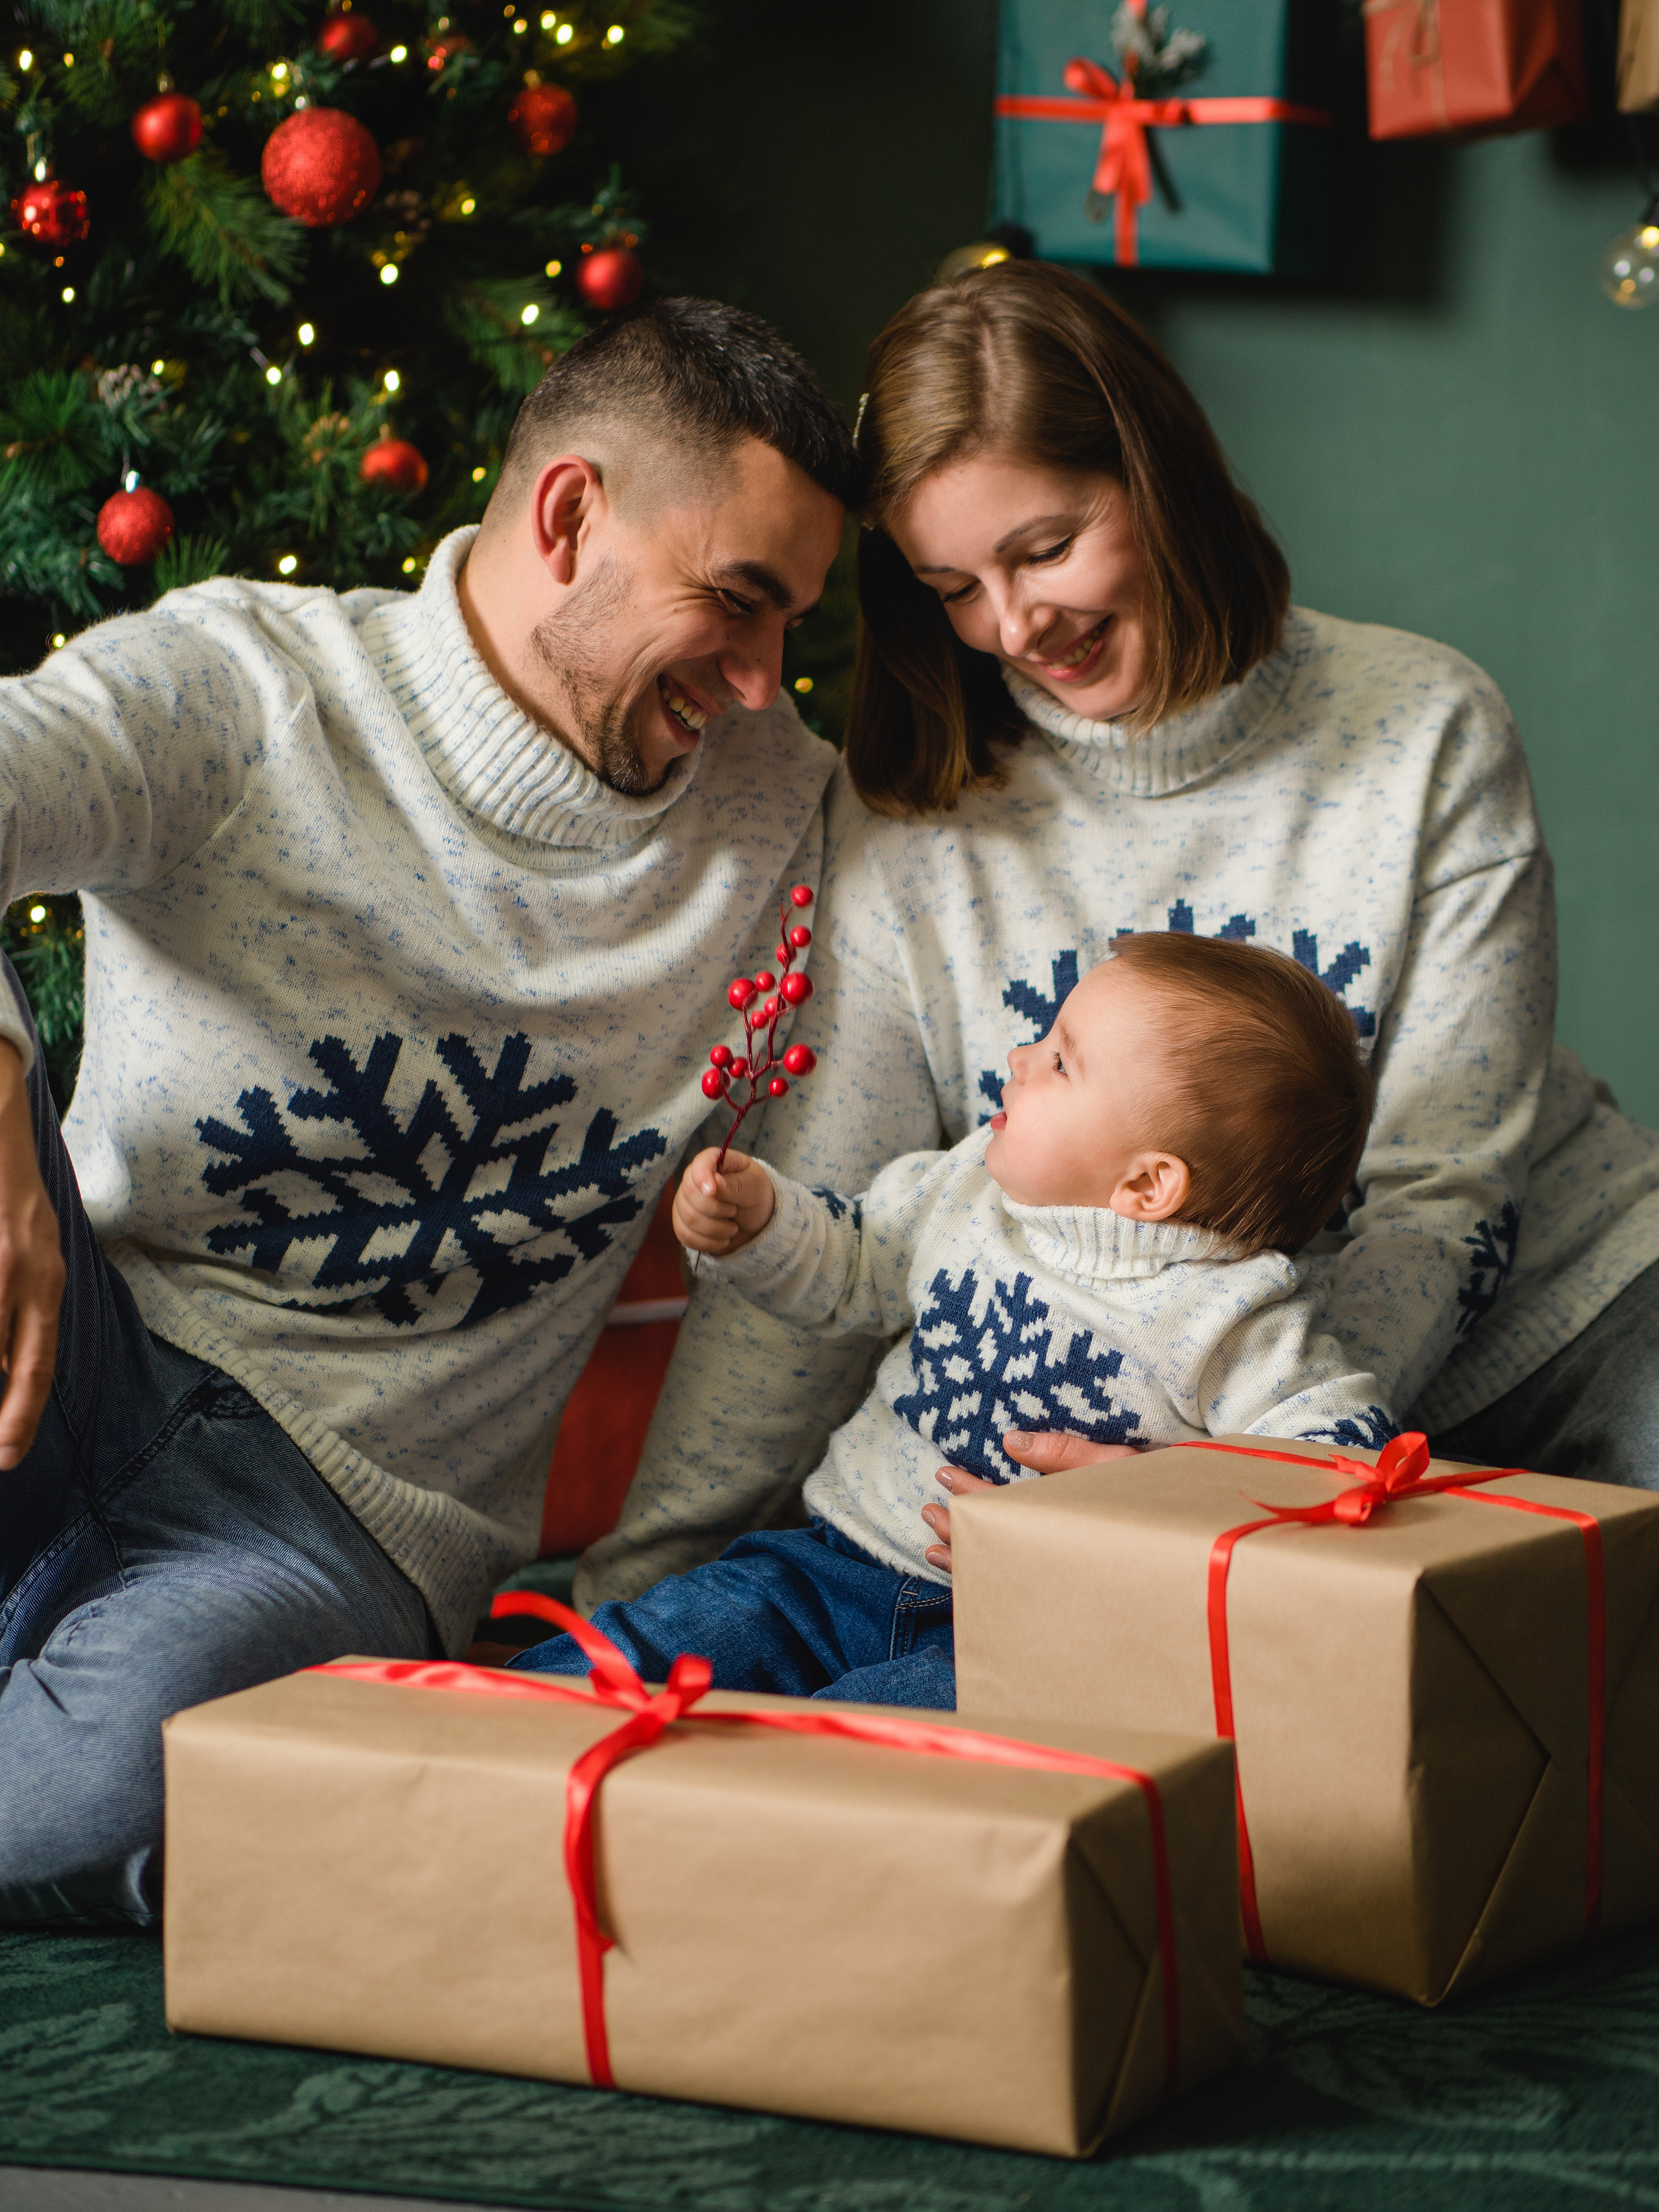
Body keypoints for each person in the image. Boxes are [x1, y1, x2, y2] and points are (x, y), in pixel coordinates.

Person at [583, 259, 1659, 1636]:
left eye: (1042, 548)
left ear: (1156, 478)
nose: (1015, 627)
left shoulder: (1422, 725)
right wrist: (649, 1572)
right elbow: (834, 1200)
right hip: (1181, 1426)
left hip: (1560, 1320)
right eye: (953, 585)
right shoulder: (916, 815)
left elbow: (1439, 1191)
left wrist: (1225, 1484)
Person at [0, 297, 859, 1925]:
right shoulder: (244, 686)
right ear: (566, 515)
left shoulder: (784, 825)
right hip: (79, 1349)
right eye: (734, 606)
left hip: (336, 1515)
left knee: (119, 1786)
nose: (760, 685)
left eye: (790, 628)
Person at [513, 931, 1385, 1702]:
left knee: (870, 1761)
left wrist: (1152, 1505)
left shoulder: (1233, 1313)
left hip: (1030, 1637)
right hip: (829, 1565)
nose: (1019, 1056)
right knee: (651, 1645)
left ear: (1149, 1184)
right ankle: (451, 1747)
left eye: (1060, 1061)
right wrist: (763, 1223)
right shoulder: (970, 1186)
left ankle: (751, 1843)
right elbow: (857, 1261)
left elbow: (1349, 1462)